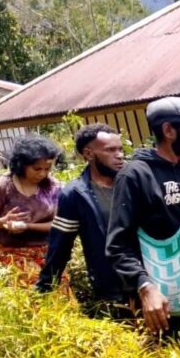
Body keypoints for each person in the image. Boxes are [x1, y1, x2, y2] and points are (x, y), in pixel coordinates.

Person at [106, 96, 180, 336]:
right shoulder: (135, 176)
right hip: (167, 302)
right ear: (168, 130)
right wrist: (144, 286)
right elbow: (117, 246)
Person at [36, 124, 127, 302]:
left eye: (120, 149)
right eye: (110, 150)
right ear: (88, 154)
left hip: (153, 277)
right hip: (113, 286)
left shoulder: (134, 182)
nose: (120, 155)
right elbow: (60, 245)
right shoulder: (76, 194)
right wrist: (43, 289)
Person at [0, 134, 62, 279]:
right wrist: (2, 222)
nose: (43, 174)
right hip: (12, 253)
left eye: (47, 169)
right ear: (22, 165)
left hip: (47, 251)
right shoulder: (2, 187)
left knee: (57, 292)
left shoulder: (53, 186)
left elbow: (57, 223)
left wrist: (26, 226)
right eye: (37, 169)